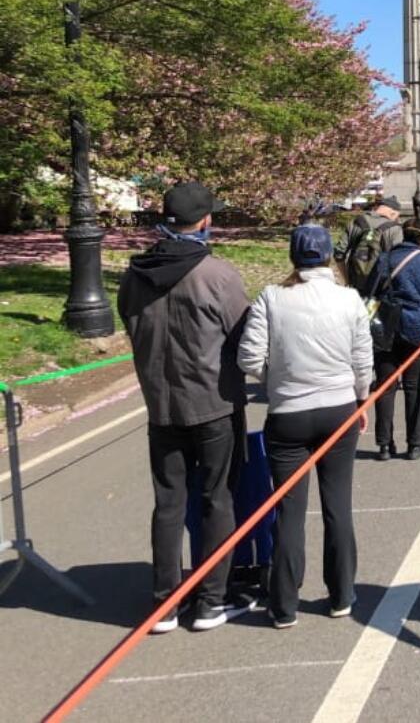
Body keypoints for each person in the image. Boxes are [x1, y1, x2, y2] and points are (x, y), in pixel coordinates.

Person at [118, 181, 250, 633]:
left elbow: (130, 325)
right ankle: (211, 599)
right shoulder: (218, 275)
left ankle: (165, 603)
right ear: (206, 221)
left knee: (168, 502)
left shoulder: (134, 276)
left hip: (161, 403)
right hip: (212, 401)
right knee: (217, 498)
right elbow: (244, 337)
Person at [237, 225, 372, 628]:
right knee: (338, 506)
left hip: (289, 412)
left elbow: (248, 356)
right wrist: (360, 398)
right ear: (330, 256)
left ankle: (284, 604)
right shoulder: (349, 299)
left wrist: (274, 379)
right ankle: (342, 594)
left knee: (289, 512)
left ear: (293, 258)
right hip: (338, 407)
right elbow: (362, 360)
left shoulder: (272, 298)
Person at [368, 220, 420, 461]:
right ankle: (414, 443)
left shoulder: (384, 260)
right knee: (414, 386)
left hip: (386, 326)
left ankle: (384, 444)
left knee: (385, 386)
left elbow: (369, 294)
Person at [334, 196, 403, 296]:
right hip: (381, 285)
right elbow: (398, 259)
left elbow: (339, 254)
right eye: (397, 216)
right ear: (392, 213)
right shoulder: (395, 229)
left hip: (356, 282)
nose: (397, 219)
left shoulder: (355, 222)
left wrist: (346, 279)